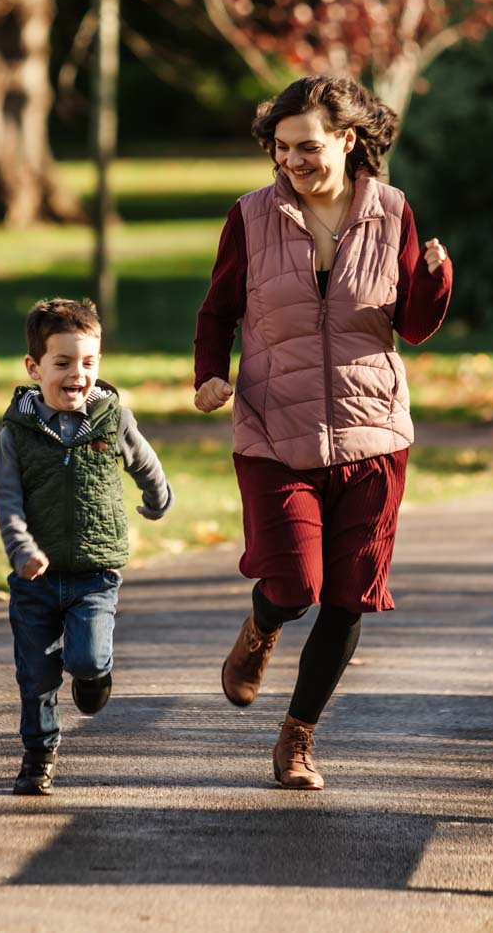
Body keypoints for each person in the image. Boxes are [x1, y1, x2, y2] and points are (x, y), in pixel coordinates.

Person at [193, 75, 452, 791]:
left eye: (306, 148)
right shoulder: (250, 217)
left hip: (373, 438)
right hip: (275, 430)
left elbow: (415, 327)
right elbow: (216, 312)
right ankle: (260, 628)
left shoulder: (391, 212)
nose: (293, 163)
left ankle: (297, 739)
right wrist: (209, 376)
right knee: (293, 582)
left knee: (347, 596)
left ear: (346, 139)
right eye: (281, 151)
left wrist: (434, 279)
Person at [0, 298, 174, 796]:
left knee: (88, 660)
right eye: (64, 363)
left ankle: (95, 676)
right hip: (35, 580)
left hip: (95, 574)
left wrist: (158, 498)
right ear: (34, 368)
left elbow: (143, 461)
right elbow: (6, 499)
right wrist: (21, 549)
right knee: (36, 675)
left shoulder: (111, 418)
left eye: (90, 362)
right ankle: (38, 757)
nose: (79, 374)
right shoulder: (18, 433)